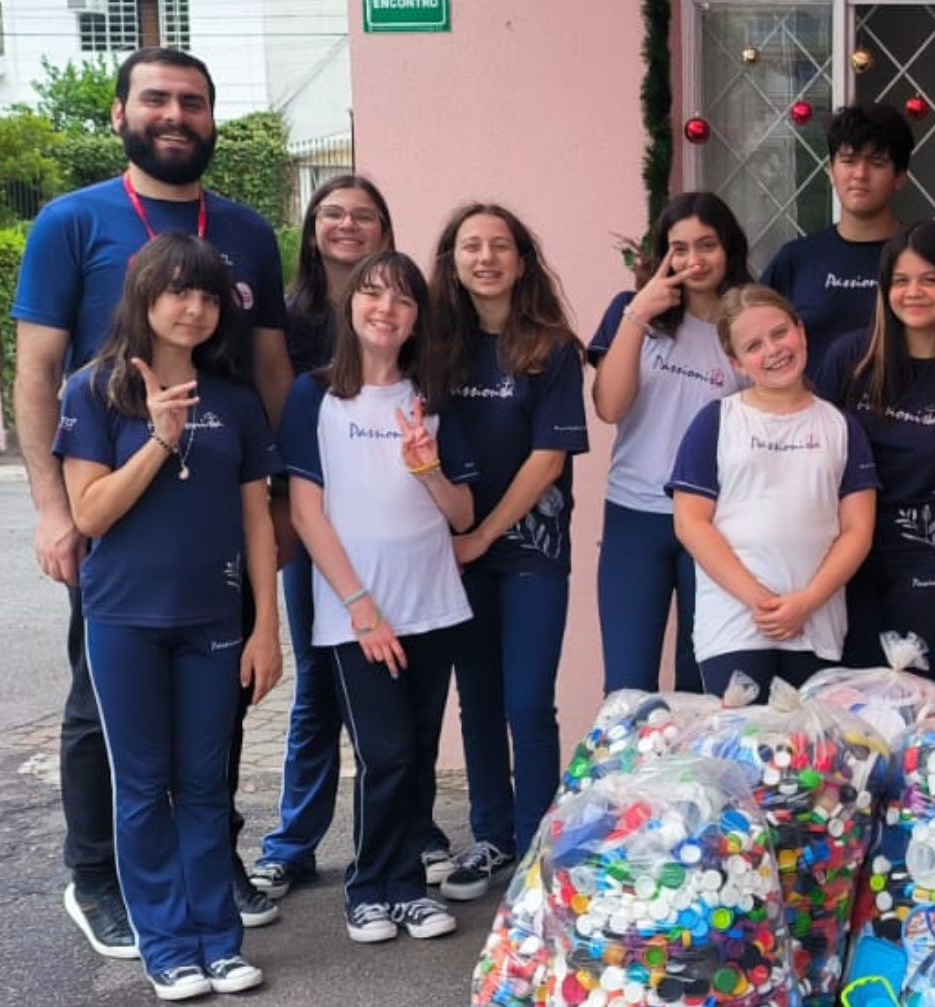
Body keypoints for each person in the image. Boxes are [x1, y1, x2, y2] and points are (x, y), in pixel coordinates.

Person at [12, 46, 293, 955]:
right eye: (158, 100)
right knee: (105, 706)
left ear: (213, 119)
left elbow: (270, 369)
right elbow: (39, 370)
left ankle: (210, 866)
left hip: (217, 497)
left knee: (222, 692)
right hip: (110, 506)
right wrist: (54, 509)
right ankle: (98, 877)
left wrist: (280, 494)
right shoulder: (71, 221)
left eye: (195, 103)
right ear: (121, 113)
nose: (177, 115)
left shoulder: (247, 231)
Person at [53, 234, 282, 1000]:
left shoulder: (237, 402)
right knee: (144, 786)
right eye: (179, 291)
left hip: (213, 622)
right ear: (145, 298)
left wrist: (265, 627)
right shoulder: (94, 390)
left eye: (209, 294)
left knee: (206, 784)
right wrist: (158, 440)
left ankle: (219, 939)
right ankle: (167, 945)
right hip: (123, 622)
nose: (194, 307)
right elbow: (90, 513)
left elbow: (258, 522)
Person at [249, 175, 463, 898]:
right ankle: (302, 846)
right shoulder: (295, 330)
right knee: (330, 704)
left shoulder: (429, 388)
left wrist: (428, 471)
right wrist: (358, 602)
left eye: (363, 216)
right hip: (340, 576)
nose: (386, 307)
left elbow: (457, 505)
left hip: (423, 590)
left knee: (407, 745)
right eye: (332, 214)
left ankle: (407, 857)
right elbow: (305, 500)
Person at [429, 203, 588, 901]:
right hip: (454, 553)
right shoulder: (433, 346)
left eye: (500, 246)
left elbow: (548, 460)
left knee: (527, 703)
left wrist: (483, 535)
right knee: (479, 702)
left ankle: (535, 846)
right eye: (472, 246)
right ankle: (490, 836)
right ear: (453, 260)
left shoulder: (551, 348)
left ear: (522, 262)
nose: (486, 257)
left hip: (530, 551)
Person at [816, 221, 935, 682]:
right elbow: (810, 460)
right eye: (901, 281)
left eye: (929, 279)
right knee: (842, 707)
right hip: (842, 559)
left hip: (927, 568)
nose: (913, 292)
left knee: (920, 707)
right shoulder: (850, 359)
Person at [667, 285, 877, 699]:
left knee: (805, 757)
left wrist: (807, 602)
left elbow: (857, 530)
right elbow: (691, 523)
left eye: (780, 333)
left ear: (801, 331)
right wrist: (759, 601)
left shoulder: (841, 427)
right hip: (735, 623)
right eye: (754, 345)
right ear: (737, 363)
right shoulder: (716, 422)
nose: (774, 349)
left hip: (815, 624)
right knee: (739, 755)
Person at [589, 192, 751, 694]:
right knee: (628, 683)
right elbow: (609, 408)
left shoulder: (745, 327)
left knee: (703, 679)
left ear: (729, 250)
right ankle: (626, 775)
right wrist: (638, 315)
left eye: (707, 245)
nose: (693, 260)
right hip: (635, 516)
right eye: (679, 248)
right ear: (663, 254)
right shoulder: (631, 313)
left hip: (715, 521)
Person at [762, 102, 914, 378]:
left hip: (902, 417)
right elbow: (751, 340)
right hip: (811, 417)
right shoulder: (796, 259)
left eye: (877, 163)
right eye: (848, 161)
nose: (860, 175)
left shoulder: (922, 258)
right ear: (831, 171)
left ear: (900, 177)